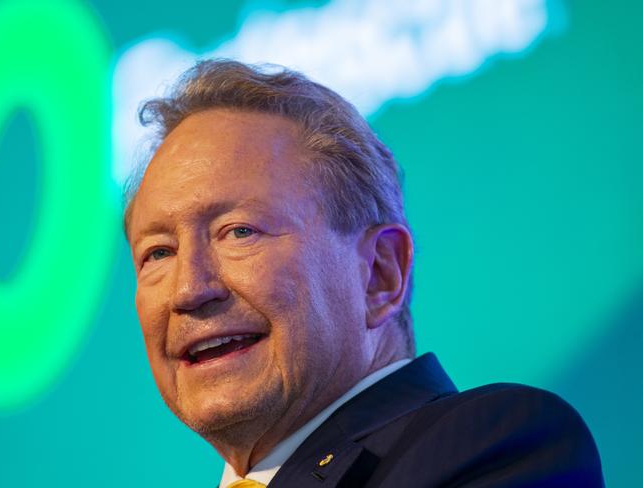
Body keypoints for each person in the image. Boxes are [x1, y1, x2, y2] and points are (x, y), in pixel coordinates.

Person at [124, 59, 604, 487]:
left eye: (239, 232)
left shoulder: (499, 450)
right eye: (158, 253)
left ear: (379, 273)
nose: (189, 289)